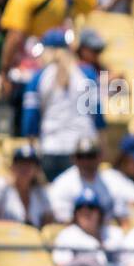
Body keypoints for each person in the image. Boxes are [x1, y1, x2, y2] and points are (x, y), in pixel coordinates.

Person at [20, 29, 105, 180]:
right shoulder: (87, 73)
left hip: (51, 149)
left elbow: (30, 122)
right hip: (83, 150)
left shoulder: (38, 77)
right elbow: (98, 118)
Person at [51, 188, 124, 266]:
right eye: (81, 209)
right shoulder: (67, 236)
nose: (86, 212)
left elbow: (128, 262)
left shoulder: (115, 233)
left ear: (100, 213)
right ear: (75, 214)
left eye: (91, 208)